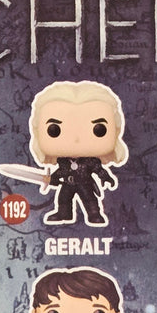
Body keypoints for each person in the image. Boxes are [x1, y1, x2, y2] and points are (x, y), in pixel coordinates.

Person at [28, 80, 127, 227]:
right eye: (54, 130)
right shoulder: (63, 162)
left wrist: (106, 178)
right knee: (63, 199)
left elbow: (98, 169)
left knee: (90, 199)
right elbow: (60, 172)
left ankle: (94, 214)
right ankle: (64, 213)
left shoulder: (90, 161)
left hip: (85, 183)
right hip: (67, 184)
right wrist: (52, 179)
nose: (76, 139)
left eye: (99, 130)